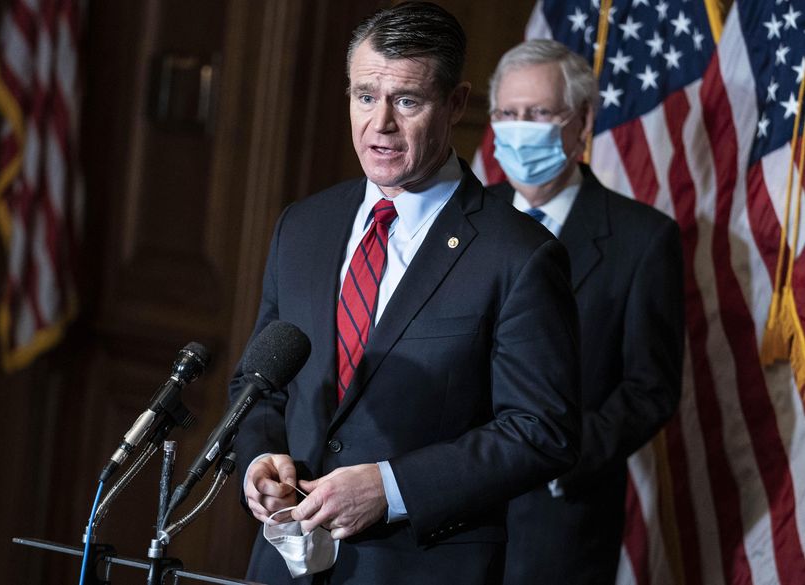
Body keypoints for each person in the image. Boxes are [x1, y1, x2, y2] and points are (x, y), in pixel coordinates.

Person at [229, 4, 582, 584]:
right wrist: (259, 460)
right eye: (365, 96)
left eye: (407, 101)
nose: (381, 123)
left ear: (456, 104)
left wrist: (392, 488)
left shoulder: (518, 254)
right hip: (284, 565)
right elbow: (258, 383)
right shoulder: (304, 226)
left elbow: (541, 431)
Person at [486, 39, 684, 584]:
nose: (520, 127)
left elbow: (651, 389)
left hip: (559, 523)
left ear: (583, 121)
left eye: (539, 113)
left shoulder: (644, 240)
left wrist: (559, 458)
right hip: (448, 517)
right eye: (508, 114)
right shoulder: (465, 222)